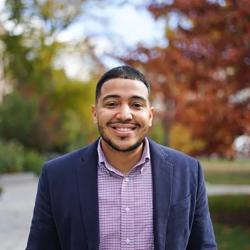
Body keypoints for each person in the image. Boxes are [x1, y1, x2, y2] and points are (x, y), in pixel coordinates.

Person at [26, 65, 217, 250]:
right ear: (95, 113)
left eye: (136, 105)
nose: (125, 114)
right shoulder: (57, 175)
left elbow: (203, 246)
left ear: (150, 116)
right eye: (111, 104)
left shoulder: (188, 171)